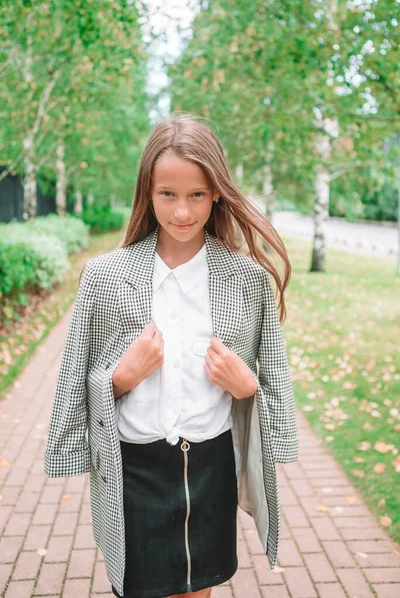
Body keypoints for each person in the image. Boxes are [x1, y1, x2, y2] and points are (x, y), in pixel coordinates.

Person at [44, 112, 299, 598]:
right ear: (148, 192)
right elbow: (75, 375)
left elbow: (275, 376)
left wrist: (249, 389)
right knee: (139, 588)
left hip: (211, 465)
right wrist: (118, 379)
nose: (182, 211)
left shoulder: (247, 281)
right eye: (168, 195)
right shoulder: (104, 277)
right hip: (135, 468)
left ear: (217, 192)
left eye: (197, 195)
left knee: (198, 590)